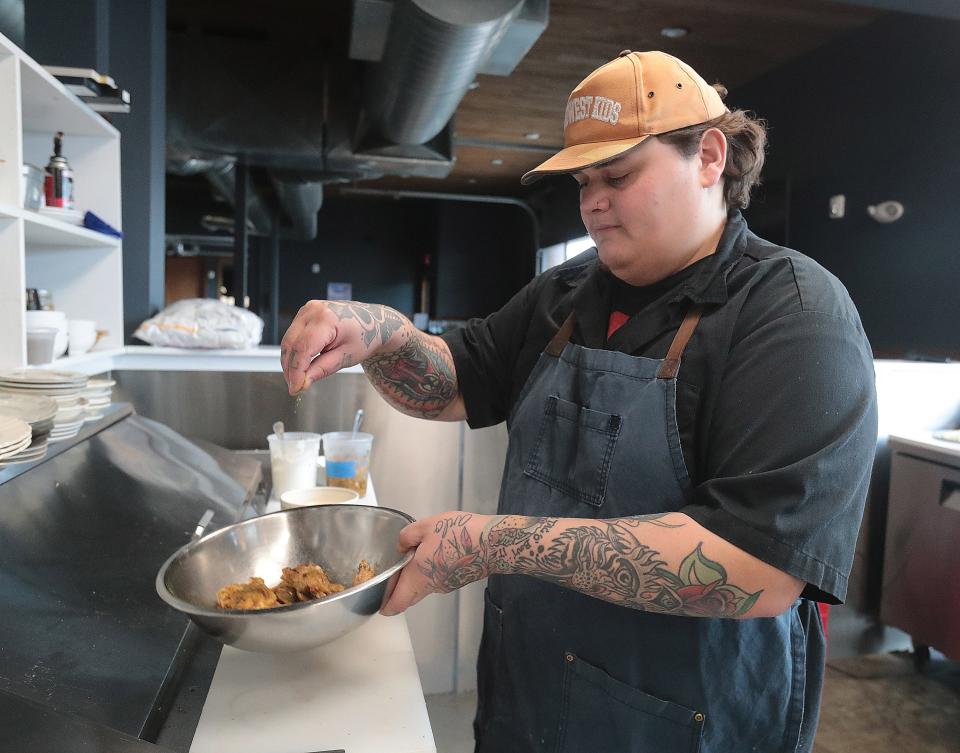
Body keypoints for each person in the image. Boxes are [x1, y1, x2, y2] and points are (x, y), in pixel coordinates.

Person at [281, 50, 878, 753]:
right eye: (584, 182)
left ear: (710, 156)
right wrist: (378, 334)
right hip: (526, 699)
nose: (593, 202)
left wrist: (489, 541)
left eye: (619, 176)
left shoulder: (793, 315)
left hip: (685, 722)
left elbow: (757, 567)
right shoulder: (568, 293)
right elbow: (457, 380)